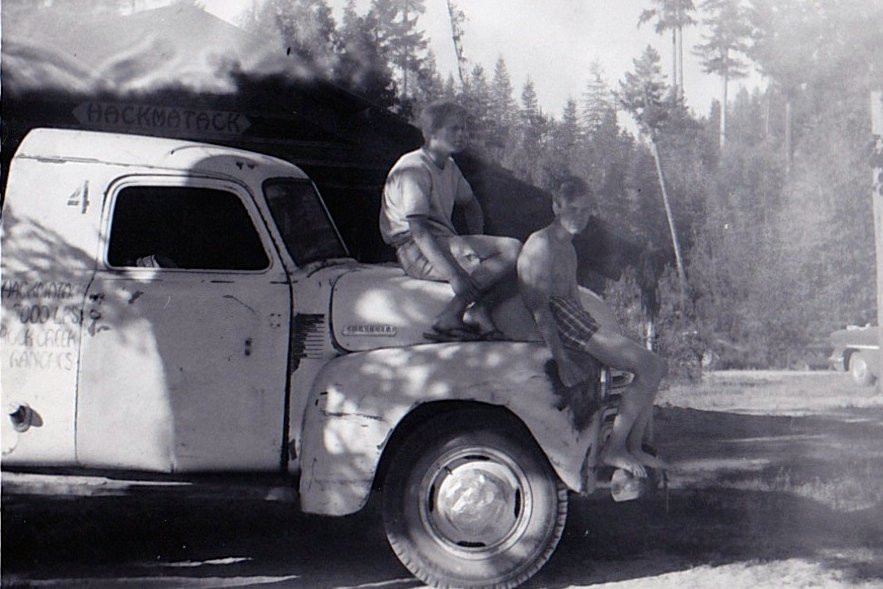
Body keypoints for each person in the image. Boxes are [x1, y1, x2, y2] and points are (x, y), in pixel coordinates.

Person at [516, 176, 668, 478]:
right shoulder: (541, 245)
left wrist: (603, 333)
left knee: (656, 366)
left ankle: (632, 447)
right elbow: (540, 309)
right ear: (556, 206)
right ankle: (615, 449)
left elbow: (575, 299)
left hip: (574, 317)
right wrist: (562, 361)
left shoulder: (568, 249)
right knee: (650, 366)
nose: (581, 218)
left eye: (587, 211)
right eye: (574, 209)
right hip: (560, 319)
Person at [380, 101, 521, 340]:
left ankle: (479, 310)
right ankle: (451, 315)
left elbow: (471, 204)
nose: (462, 134)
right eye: (454, 129)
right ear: (431, 132)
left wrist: (478, 239)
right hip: (416, 250)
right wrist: (455, 274)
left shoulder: (449, 166)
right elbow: (419, 230)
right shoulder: (413, 168)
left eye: (464, 129)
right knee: (512, 249)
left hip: (442, 243)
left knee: (522, 265)